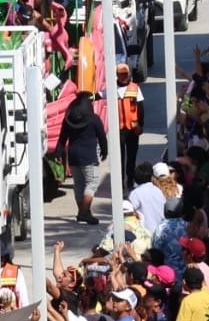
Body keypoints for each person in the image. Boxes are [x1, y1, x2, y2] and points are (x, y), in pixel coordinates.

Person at [55, 92, 108, 225]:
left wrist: (58, 154)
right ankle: (83, 213)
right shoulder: (94, 119)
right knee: (92, 183)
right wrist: (104, 151)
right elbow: (102, 136)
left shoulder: (68, 119)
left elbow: (62, 139)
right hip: (88, 156)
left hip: (73, 156)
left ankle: (84, 213)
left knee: (78, 184)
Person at [115, 64, 144, 186]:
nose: (123, 77)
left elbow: (141, 108)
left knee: (132, 157)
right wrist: (87, 97)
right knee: (119, 158)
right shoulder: (111, 88)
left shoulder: (135, 88)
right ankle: (120, 181)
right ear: (117, 75)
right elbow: (98, 95)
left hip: (133, 128)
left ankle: (130, 180)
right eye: (121, 74)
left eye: (125, 74)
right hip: (119, 129)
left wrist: (141, 125)